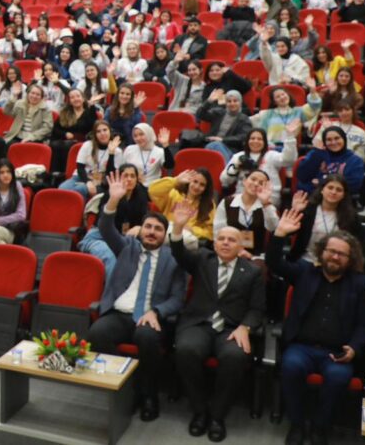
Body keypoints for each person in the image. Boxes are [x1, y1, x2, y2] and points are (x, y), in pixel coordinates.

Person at [267, 210, 365, 445]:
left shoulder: (360, 283)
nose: (335, 257)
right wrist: (279, 234)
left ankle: (320, 427)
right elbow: (274, 263)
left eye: (342, 254)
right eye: (331, 251)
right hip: (301, 347)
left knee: (337, 378)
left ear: (350, 258)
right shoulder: (305, 273)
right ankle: (296, 423)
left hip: (336, 353)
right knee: (291, 366)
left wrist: (354, 348)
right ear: (322, 252)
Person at [85, 188, 186, 422]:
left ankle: (149, 394)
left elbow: (177, 299)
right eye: (148, 227)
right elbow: (105, 228)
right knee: (96, 333)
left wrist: (156, 311)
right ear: (141, 230)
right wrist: (113, 199)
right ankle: (126, 388)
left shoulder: (174, 259)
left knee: (146, 338)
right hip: (120, 313)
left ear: (165, 234)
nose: (152, 232)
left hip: (150, 316)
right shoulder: (127, 248)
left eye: (158, 229)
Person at [170, 202, 265, 443]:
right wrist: (178, 228)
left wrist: (246, 327)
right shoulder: (203, 259)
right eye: (221, 238)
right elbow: (180, 254)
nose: (225, 242)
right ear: (214, 243)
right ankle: (200, 410)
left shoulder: (252, 272)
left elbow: (257, 308)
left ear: (241, 245)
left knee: (234, 357)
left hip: (232, 328)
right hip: (199, 323)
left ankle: (218, 416)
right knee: (186, 350)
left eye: (231, 240)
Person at [78, 165, 151, 271]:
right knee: (111, 258)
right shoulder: (110, 195)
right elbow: (104, 222)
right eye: (125, 176)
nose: (129, 179)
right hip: (99, 237)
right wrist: (114, 199)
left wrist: (140, 227)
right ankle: (112, 288)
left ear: (137, 179)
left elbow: (146, 218)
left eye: (132, 176)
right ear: (119, 178)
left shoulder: (141, 196)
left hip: (123, 239)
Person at [287, 175, 363, 264]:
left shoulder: (351, 217)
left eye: (339, 190)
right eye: (330, 188)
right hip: (306, 261)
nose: (333, 192)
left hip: (335, 264)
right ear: (322, 190)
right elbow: (288, 232)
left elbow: (358, 244)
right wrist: (295, 211)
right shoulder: (308, 210)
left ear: (343, 195)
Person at [220, 126, 298, 207]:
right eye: (252, 138)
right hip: (242, 196)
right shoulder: (239, 156)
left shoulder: (271, 155)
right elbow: (224, 181)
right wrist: (236, 166)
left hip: (267, 197)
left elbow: (289, 160)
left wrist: (290, 137)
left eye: (259, 139)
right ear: (247, 141)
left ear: (265, 142)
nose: (255, 141)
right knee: (225, 205)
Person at [213, 169, 278, 258]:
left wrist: (265, 204)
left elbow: (273, 228)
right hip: (228, 253)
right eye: (253, 179)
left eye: (261, 183)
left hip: (256, 256)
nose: (256, 184)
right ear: (244, 181)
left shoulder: (267, 206)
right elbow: (217, 231)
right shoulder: (227, 202)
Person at [150, 168, 217, 250]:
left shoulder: (209, 204)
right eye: (195, 181)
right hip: (166, 233)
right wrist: (176, 180)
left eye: (202, 185)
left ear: (206, 188)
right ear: (189, 181)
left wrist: (192, 230)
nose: (197, 186)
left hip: (188, 240)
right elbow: (152, 190)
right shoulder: (173, 194)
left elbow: (210, 233)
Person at [295, 126, 365, 195]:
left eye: (337, 138)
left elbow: (354, 186)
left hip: (340, 200)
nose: (333, 142)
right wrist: (317, 154)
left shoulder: (355, 160)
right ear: (324, 142)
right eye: (329, 140)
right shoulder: (316, 153)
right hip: (312, 197)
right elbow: (302, 177)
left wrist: (321, 182)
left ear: (344, 139)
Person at [59, 120, 119, 199]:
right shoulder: (87, 145)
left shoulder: (117, 151)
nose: (102, 133)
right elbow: (80, 168)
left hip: (102, 182)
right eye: (98, 131)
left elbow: (110, 175)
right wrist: (87, 181)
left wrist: (111, 154)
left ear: (110, 131)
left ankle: (78, 210)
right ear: (95, 134)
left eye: (105, 130)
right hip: (81, 177)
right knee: (62, 188)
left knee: (80, 189)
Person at [199, 90, 253, 162]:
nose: (232, 103)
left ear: (240, 103)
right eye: (229, 101)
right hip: (210, 143)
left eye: (235, 101)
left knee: (215, 145)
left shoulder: (244, 119)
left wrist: (222, 140)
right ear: (226, 103)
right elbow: (200, 115)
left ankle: (226, 169)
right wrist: (209, 101)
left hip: (230, 148)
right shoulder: (219, 112)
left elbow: (243, 137)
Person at [115, 122, 172, 187]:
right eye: (135, 136)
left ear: (148, 134)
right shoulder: (129, 149)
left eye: (141, 134)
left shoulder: (159, 151)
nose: (138, 138)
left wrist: (165, 146)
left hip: (152, 187)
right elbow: (122, 170)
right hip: (132, 186)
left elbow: (169, 166)